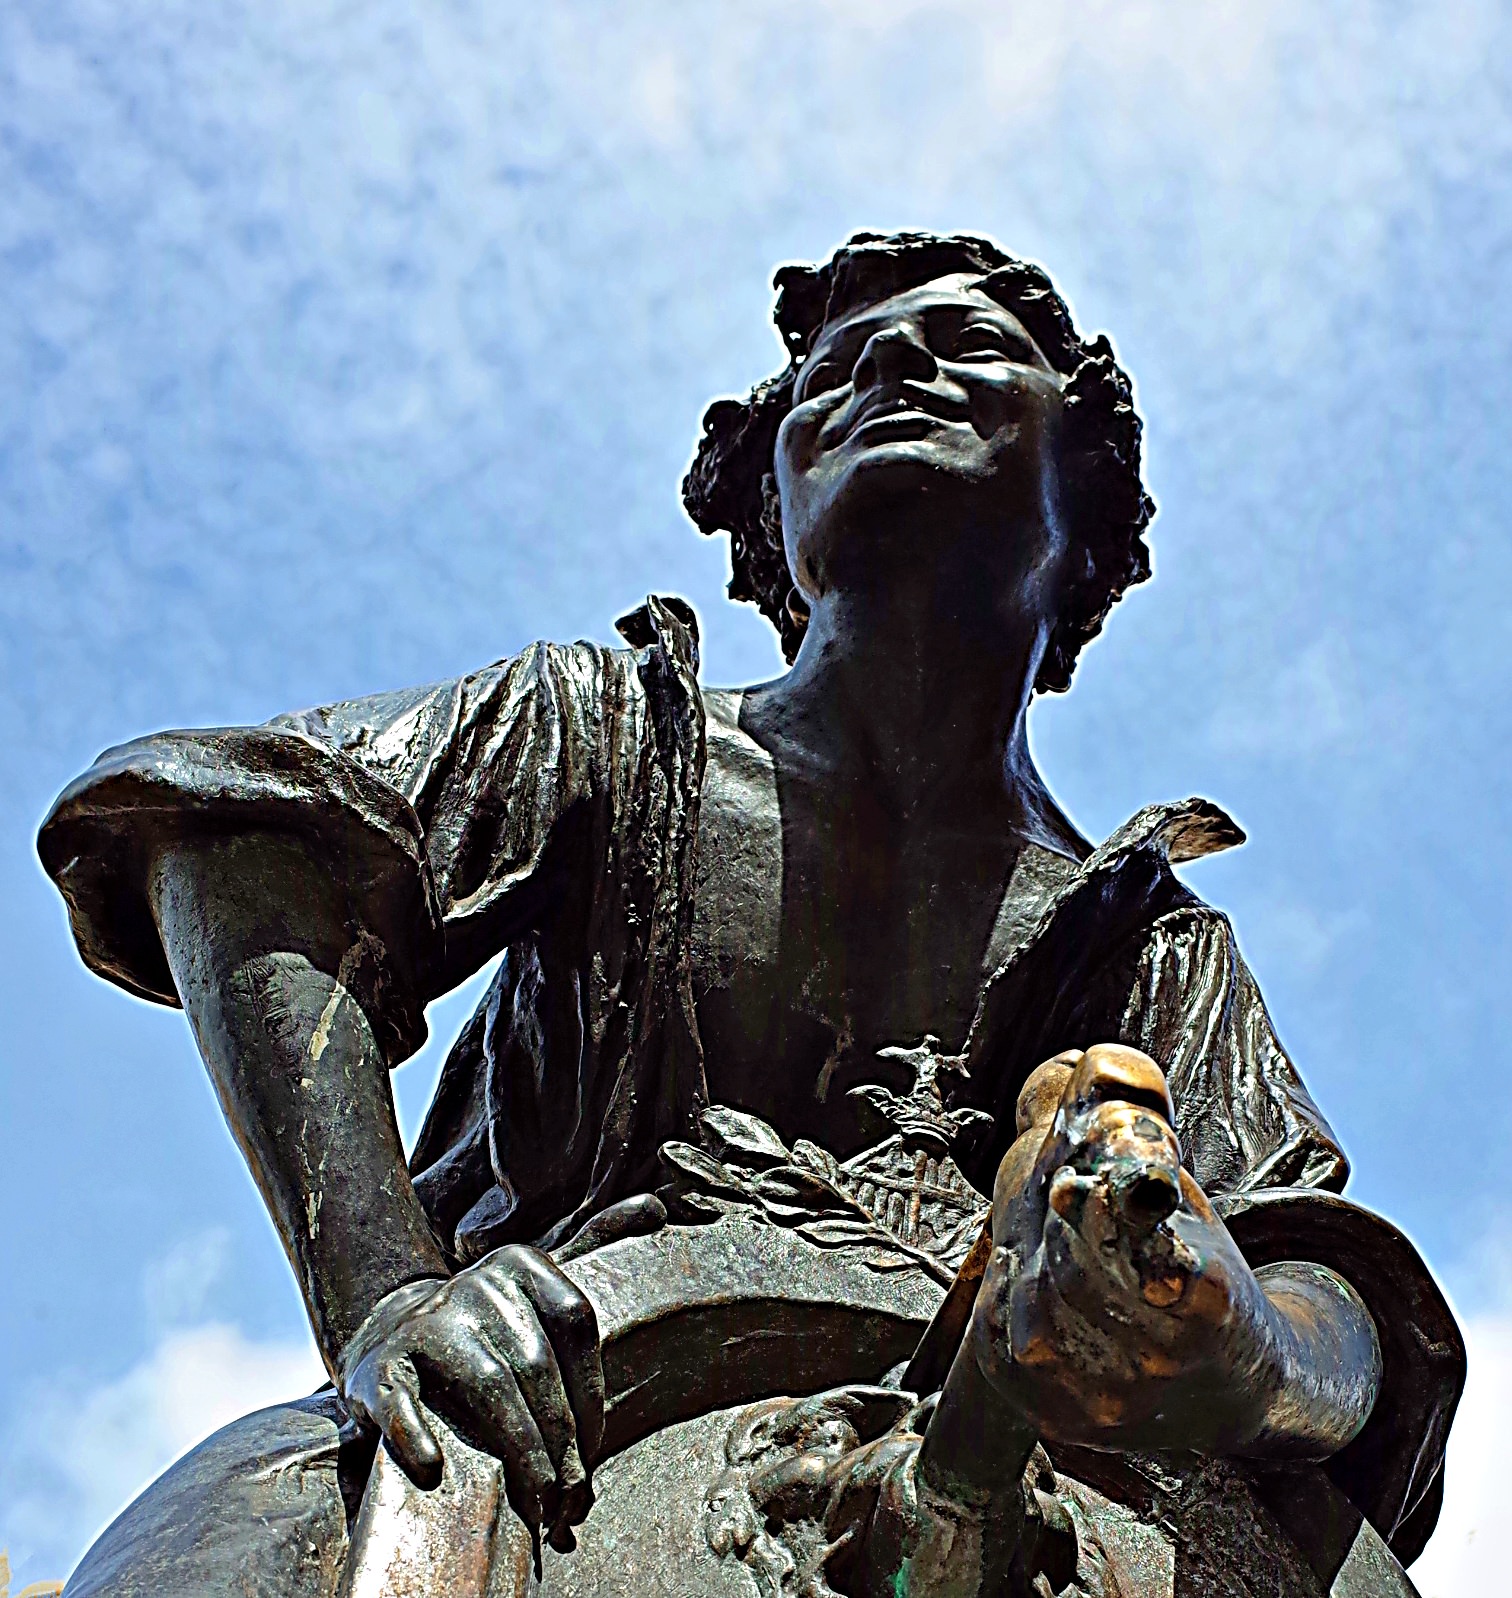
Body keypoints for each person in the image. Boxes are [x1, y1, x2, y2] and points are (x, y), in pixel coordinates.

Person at [39, 232, 1461, 1597]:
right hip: (569, 1385)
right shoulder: (605, 735)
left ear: (1084, 500)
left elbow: (1339, 1301)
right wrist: (388, 1296)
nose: (889, 366)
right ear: (773, 514)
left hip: (1022, 1452)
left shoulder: (1149, 939)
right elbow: (238, 847)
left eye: (966, 343)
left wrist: (1240, 1342)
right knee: (234, 1540)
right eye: (832, 372)